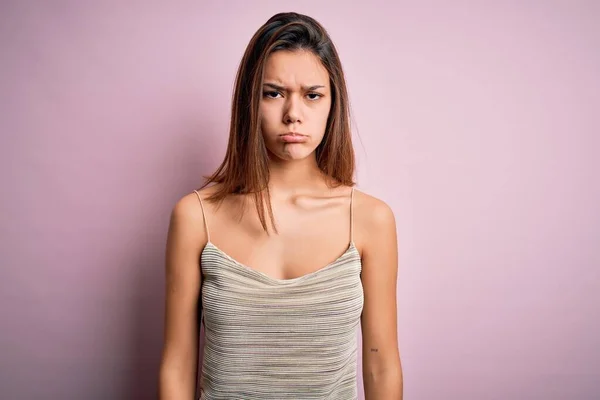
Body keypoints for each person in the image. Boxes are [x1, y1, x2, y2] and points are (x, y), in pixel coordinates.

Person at [159, 12, 403, 399]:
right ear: (249, 103)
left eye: (312, 95)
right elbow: (177, 364)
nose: (293, 114)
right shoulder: (195, 217)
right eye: (273, 93)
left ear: (332, 104)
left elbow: (382, 363)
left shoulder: (371, 220)